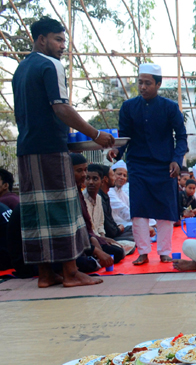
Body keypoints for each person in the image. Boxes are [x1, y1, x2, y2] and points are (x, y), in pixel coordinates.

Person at [12, 17, 115, 288]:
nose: (61, 46)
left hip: (26, 149)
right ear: (41, 39)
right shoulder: (51, 65)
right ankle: (70, 273)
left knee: (37, 214)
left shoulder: (20, 70)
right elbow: (61, 108)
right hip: (50, 150)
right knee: (63, 210)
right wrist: (95, 134)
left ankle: (46, 275)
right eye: (58, 40)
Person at [107, 63, 187, 266]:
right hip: (138, 165)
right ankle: (143, 251)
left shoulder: (170, 108)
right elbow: (124, 137)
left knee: (165, 210)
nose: (142, 87)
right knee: (139, 209)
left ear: (158, 84)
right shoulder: (128, 107)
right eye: (140, 82)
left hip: (164, 167)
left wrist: (176, 160)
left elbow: (182, 137)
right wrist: (116, 151)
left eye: (147, 83)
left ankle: (165, 251)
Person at [72, 156, 123, 271]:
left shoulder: (99, 198)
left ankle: (96, 258)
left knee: (119, 251)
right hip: (84, 243)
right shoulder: (79, 197)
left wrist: (103, 238)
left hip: (94, 239)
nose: (89, 180)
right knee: (89, 263)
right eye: (80, 171)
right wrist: (96, 243)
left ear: (101, 181)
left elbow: (100, 224)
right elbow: (83, 231)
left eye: (95, 179)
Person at [88, 163, 132, 242]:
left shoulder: (103, 196)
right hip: (107, 234)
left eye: (124, 175)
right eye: (114, 175)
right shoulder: (103, 195)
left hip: (113, 230)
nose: (117, 178)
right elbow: (107, 228)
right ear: (105, 179)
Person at [108, 161, 131, 230]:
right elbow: (123, 210)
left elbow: (132, 207)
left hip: (125, 223)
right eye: (119, 174)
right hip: (116, 226)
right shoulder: (109, 191)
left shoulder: (121, 192)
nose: (122, 177)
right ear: (112, 175)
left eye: (124, 175)